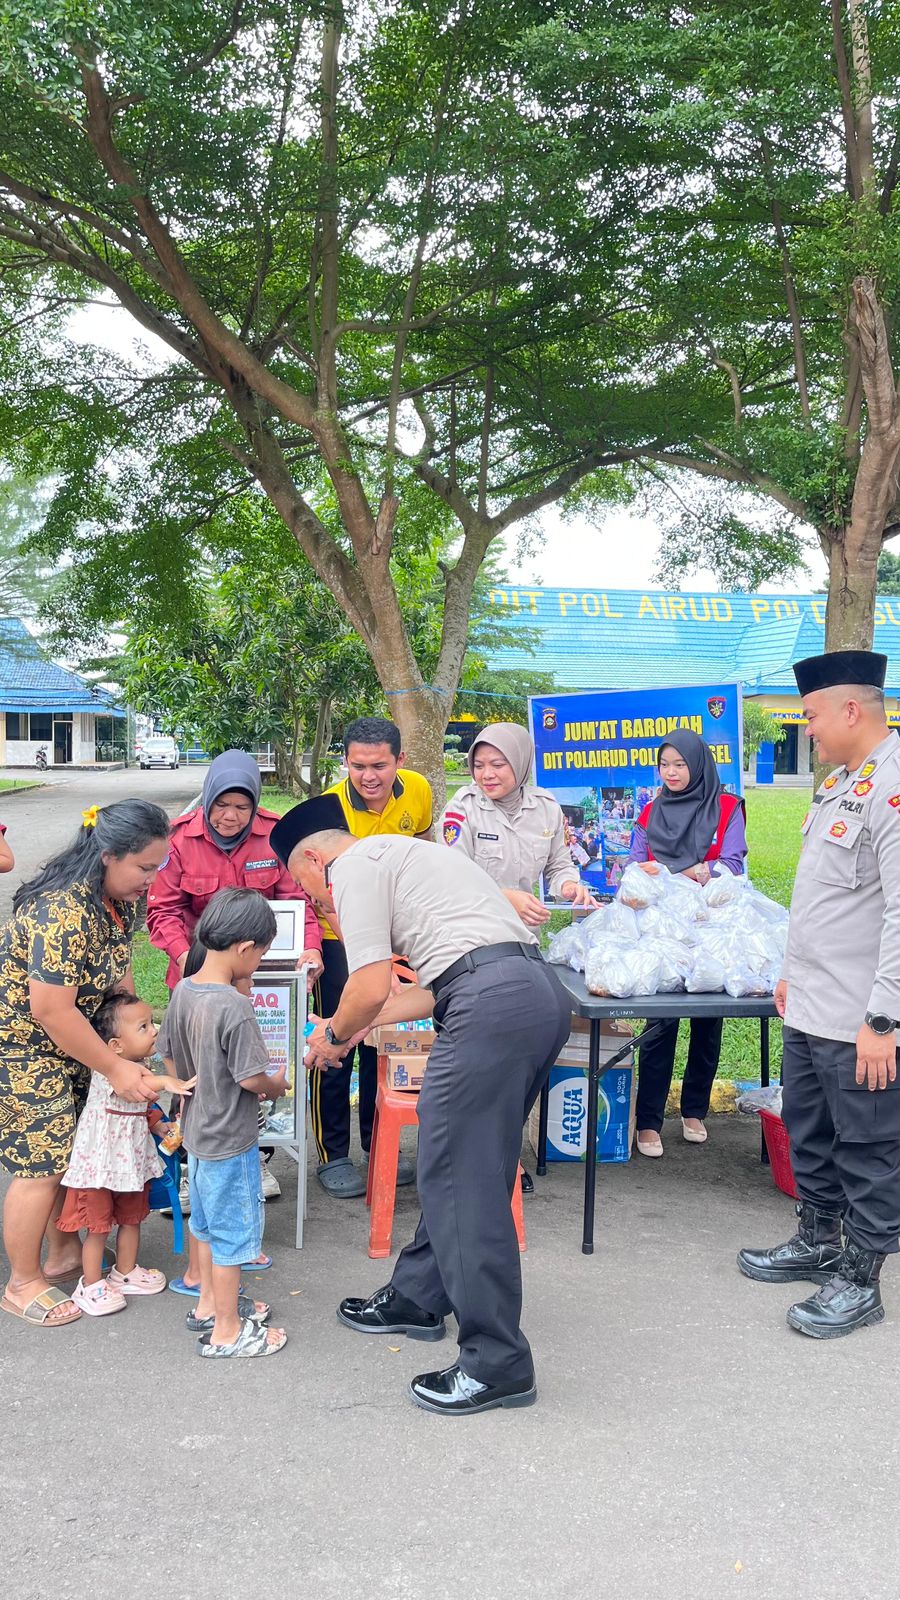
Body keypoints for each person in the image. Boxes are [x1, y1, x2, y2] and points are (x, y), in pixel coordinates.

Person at [271, 792, 571, 1416]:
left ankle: (497, 1364)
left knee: (460, 1178)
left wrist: (331, 1035)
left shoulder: (353, 867)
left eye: (306, 887)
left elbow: (368, 983)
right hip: (533, 995)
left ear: (313, 860)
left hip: (490, 1007)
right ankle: (418, 1296)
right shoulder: (412, 856)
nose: (316, 901)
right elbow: (434, 988)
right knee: (468, 1167)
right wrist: (349, 1029)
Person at [739, 650, 900, 1339]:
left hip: (860, 1015)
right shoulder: (841, 785)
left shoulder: (893, 787)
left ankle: (861, 1282)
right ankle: (818, 1241)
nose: (805, 728)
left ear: (851, 710)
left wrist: (884, 1019)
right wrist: (790, 971)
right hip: (811, 1003)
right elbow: (824, 899)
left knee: (868, 1148)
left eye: (810, 716)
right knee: (811, 1133)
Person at [0, 800, 170, 1329]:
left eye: (158, 867)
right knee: (43, 1164)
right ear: (107, 855)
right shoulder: (61, 910)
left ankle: (63, 1252)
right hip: (26, 1047)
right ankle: (22, 1282)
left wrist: (132, 1038)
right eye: (144, 867)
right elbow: (52, 1010)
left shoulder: (119, 902)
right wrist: (115, 1070)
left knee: (77, 1148)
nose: (151, 879)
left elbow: (119, 980)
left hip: (80, 1040)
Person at [147, 748, 323, 1204]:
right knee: (194, 1074)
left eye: (242, 806)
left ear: (255, 803)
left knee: (254, 1067)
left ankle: (257, 1158)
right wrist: (188, 961)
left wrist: (310, 947)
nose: (230, 816)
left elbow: (298, 899)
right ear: (207, 798)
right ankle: (191, 1164)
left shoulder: (274, 836)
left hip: (260, 977)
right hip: (196, 979)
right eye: (222, 805)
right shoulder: (180, 840)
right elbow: (163, 911)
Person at [157, 888, 288, 1359]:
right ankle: (228, 1332)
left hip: (197, 1134)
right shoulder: (234, 1006)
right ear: (245, 948)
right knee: (234, 1234)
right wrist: (277, 1084)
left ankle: (209, 1306)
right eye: (261, 954)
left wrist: (187, 1092)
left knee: (206, 1224)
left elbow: (167, 1053)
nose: (259, 963)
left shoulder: (184, 990)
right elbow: (251, 1078)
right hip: (231, 1139)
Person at [312, 716, 433, 1197]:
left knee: (384, 1040)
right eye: (358, 765)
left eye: (379, 765)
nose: (368, 776)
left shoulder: (418, 792)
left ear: (400, 760)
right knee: (337, 1035)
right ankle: (333, 1154)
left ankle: (378, 1144)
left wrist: (401, 945)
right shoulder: (328, 811)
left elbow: (422, 853)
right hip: (339, 934)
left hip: (396, 933)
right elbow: (321, 896)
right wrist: (368, 955)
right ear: (345, 761)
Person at [627, 730, 747, 1157]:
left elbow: (732, 864)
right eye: (664, 765)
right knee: (660, 1021)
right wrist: (690, 871)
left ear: (698, 765)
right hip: (662, 929)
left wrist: (677, 872)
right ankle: (648, 1121)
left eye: (680, 764)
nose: (671, 773)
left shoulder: (727, 807)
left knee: (707, 1020)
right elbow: (636, 867)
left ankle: (695, 1110)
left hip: (711, 926)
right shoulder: (650, 812)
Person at [56, 990, 192, 1316]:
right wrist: (167, 1081)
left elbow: (142, 1105)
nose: (154, 1030)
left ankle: (126, 1272)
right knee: (98, 1227)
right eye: (143, 1027)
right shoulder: (109, 1070)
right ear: (115, 1046)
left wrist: (158, 1125)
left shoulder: (139, 1067)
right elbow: (145, 1085)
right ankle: (90, 1285)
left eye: (151, 1023)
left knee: (132, 1218)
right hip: (100, 1167)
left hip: (131, 1163)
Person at [438, 722, 599, 928]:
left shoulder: (546, 808)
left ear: (520, 762)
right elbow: (452, 877)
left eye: (497, 765)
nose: (486, 774)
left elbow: (559, 865)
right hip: (471, 931)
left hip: (523, 931)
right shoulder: (462, 809)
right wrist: (504, 898)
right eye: (478, 766)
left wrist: (567, 884)